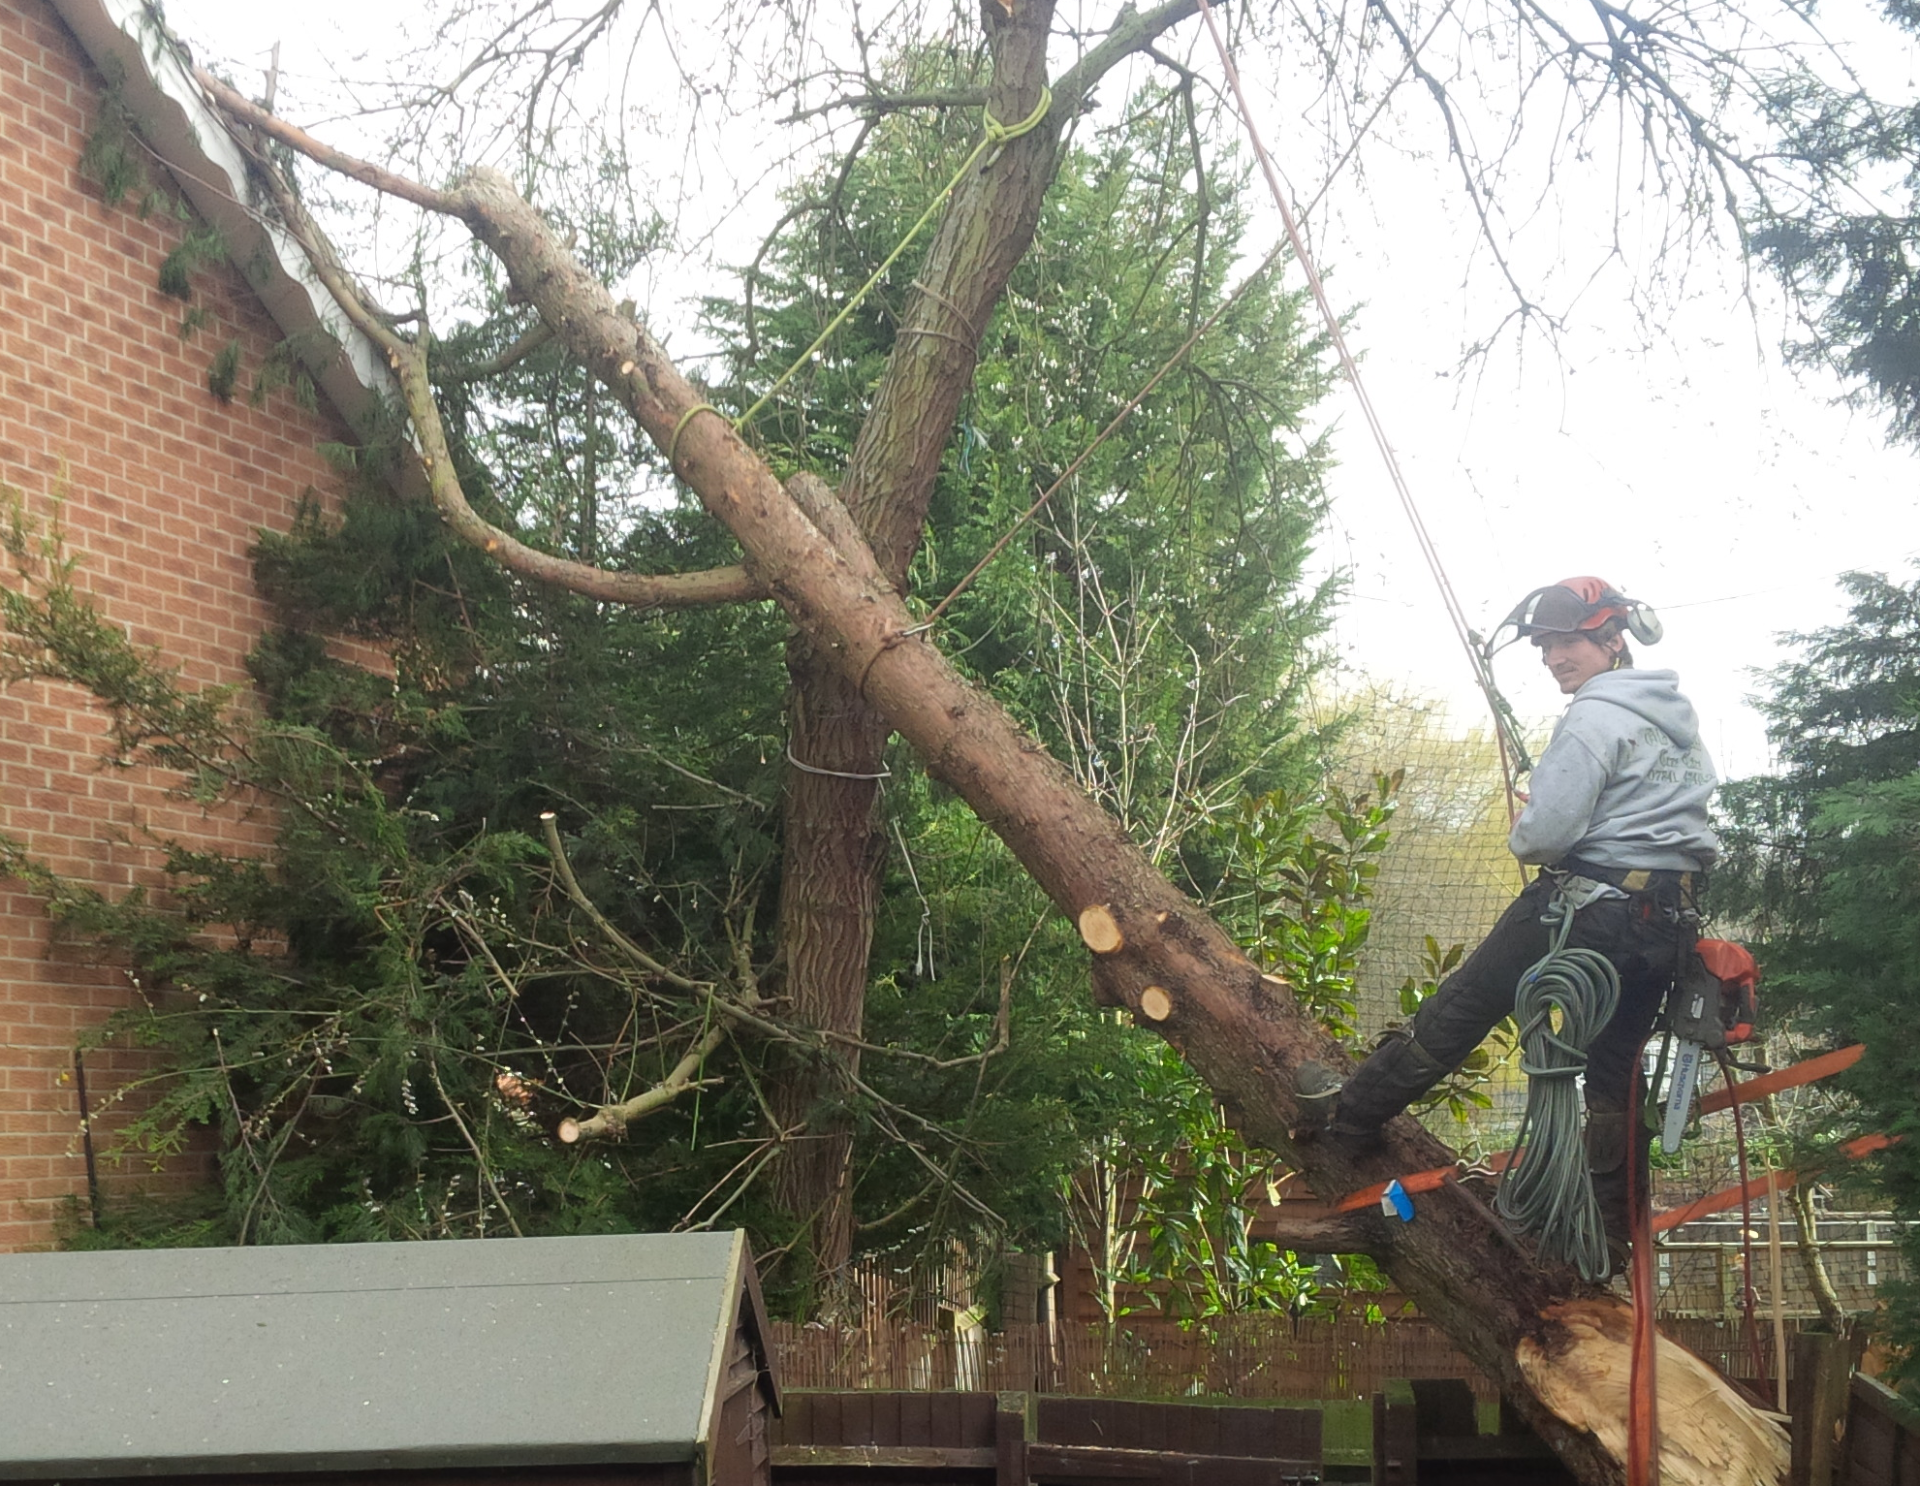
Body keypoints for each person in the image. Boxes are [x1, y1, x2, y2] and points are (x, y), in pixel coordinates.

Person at [1303, 577, 1718, 1257]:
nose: (1554, 658)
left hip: (1584, 910)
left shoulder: (1592, 716)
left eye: (1569, 642)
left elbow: (1542, 838)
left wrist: (1530, 822)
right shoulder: (1677, 726)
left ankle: (1349, 1119)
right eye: (1548, 646)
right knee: (1615, 1072)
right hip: (1659, 924)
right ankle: (1608, 1235)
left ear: (1613, 640)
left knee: (1462, 1007)